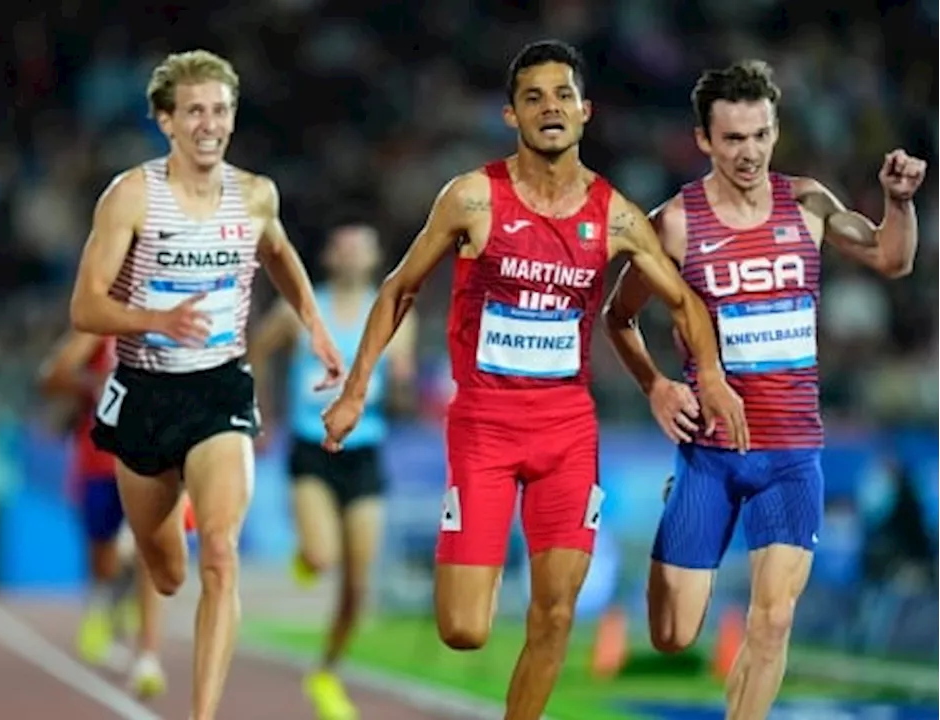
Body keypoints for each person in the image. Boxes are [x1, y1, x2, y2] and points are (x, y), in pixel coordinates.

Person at [321, 40, 748, 720]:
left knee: (554, 615)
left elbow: (684, 301)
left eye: (561, 96)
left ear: (584, 111)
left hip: (567, 432)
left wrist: (698, 380)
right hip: (485, 429)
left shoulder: (613, 215)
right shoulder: (471, 197)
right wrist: (355, 390)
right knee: (463, 628)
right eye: (533, 97)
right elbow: (400, 289)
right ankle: (477, 568)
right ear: (511, 114)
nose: (549, 107)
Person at [601, 59, 926, 720]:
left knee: (772, 621)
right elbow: (618, 316)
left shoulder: (806, 202)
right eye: (733, 139)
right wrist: (658, 386)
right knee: (674, 634)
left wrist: (898, 203)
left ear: (775, 130)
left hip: (791, 453)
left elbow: (893, 259)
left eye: (760, 135)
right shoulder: (674, 224)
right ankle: (677, 508)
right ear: (703, 141)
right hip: (710, 456)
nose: (749, 153)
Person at [67, 49, 343, 720]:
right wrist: (156, 317)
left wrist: (316, 325)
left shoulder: (255, 194)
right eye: (194, 111)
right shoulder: (131, 195)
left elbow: (279, 253)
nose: (209, 124)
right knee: (167, 572)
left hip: (221, 385)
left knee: (221, 551)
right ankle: (157, 568)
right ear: (165, 120)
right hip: (144, 392)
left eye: (220, 110)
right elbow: (84, 308)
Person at [248, 223, 417, 720]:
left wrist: (409, 388)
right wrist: (261, 408)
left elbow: (402, 379)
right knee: (322, 558)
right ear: (329, 256)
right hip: (311, 446)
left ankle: (326, 672)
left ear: (373, 258)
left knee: (358, 585)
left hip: (364, 453)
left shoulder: (393, 315)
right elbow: (258, 349)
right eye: (342, 246)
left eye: (360, 247)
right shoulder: (302, 308)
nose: (350, 254)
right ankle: (308, 557)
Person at [37, 330, 166, 697]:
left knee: (146, 553)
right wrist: (94, 382)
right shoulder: (97, 331)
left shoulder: (166, 322)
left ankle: (148, 654)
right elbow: (52, 378)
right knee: (105, 558)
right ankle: (103, 608)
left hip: (149, 458)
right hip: (99, 461)